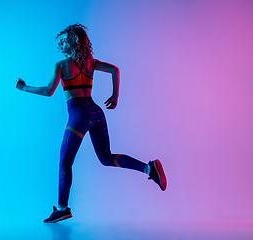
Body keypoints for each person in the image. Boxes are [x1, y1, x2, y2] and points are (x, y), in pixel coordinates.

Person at [16, 24, 167, 223]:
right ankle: (149, 168)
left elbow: (48, 91)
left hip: (79, 116)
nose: (60, 45)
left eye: (63, 41)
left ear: (74, 42)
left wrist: (25, 87)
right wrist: (115, 95)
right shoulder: (90, 62)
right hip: (97, 114)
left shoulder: (61, 66)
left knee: (64, 161)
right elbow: (114, 69)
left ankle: (62, 209)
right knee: (106, 157)